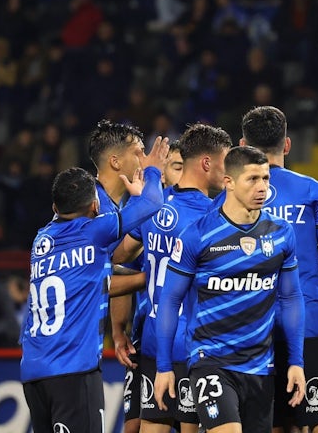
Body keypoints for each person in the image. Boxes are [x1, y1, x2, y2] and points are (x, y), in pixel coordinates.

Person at [20, 135, 169, 432]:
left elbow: (90, 277)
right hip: (73, 369)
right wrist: (151, 173)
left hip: (33, 372)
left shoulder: (41, 241)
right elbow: (153, 202)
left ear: (54, 205)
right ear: (94, 205)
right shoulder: (94, 232)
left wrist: (141, 278)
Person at [154, 145, 306, 433]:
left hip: (260, 366)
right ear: (229, 182)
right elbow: (170, 300)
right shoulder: (197, 235)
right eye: (252, 179)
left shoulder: (281, 233)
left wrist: (296, 361)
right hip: (210, 361)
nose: (262, 187)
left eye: (265, 179)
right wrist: (163, 367)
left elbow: (291, 298)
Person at [113, 124, 232, 433]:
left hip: (154, 341)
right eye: (225, 160)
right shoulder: (214, 217)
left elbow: (119, 257)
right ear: (207, 163)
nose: (228, 169)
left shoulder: (152, 208)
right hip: (195, 347)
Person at [239, 106, 318, 433]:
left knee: (274, 424)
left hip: (255, 330)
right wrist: (315, 276)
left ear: (243, 144)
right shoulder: (312, 190)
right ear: (286, 145)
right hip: (309, 322)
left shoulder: (236, 197)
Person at [87, 118, 149, 433]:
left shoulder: (112, 206)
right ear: (115, 161)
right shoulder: (90, 208)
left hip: (81, 348)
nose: (146, 159)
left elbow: (116, 269)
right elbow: (93, 282)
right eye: (139, 152)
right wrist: (153, 279)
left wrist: (118, 330)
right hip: (69, 351)